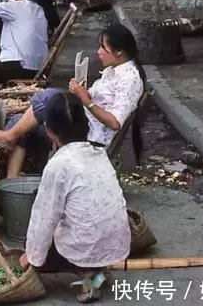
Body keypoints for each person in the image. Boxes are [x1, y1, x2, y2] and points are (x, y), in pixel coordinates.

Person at [0, 23, 145, 178]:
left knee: (49, 97)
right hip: (83, 122)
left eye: (103, 48)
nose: (99, 52)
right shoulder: (113, 70)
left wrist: (84, 98)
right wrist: (81, 90)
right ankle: (11, 182)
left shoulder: (129, 79)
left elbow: (115, 122)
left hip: (90, 136)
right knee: (22, 121)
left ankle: (9, 137)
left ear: (119, 52)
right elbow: (99, 100)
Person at [19, 92, 131, 304]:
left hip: (86, 243)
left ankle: (87, 273)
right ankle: (98, 267)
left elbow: (45, 217)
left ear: (49, 130)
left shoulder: (58, 165)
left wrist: (31, 257)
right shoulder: (99, 153)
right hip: (117, 240)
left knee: (35, 238)